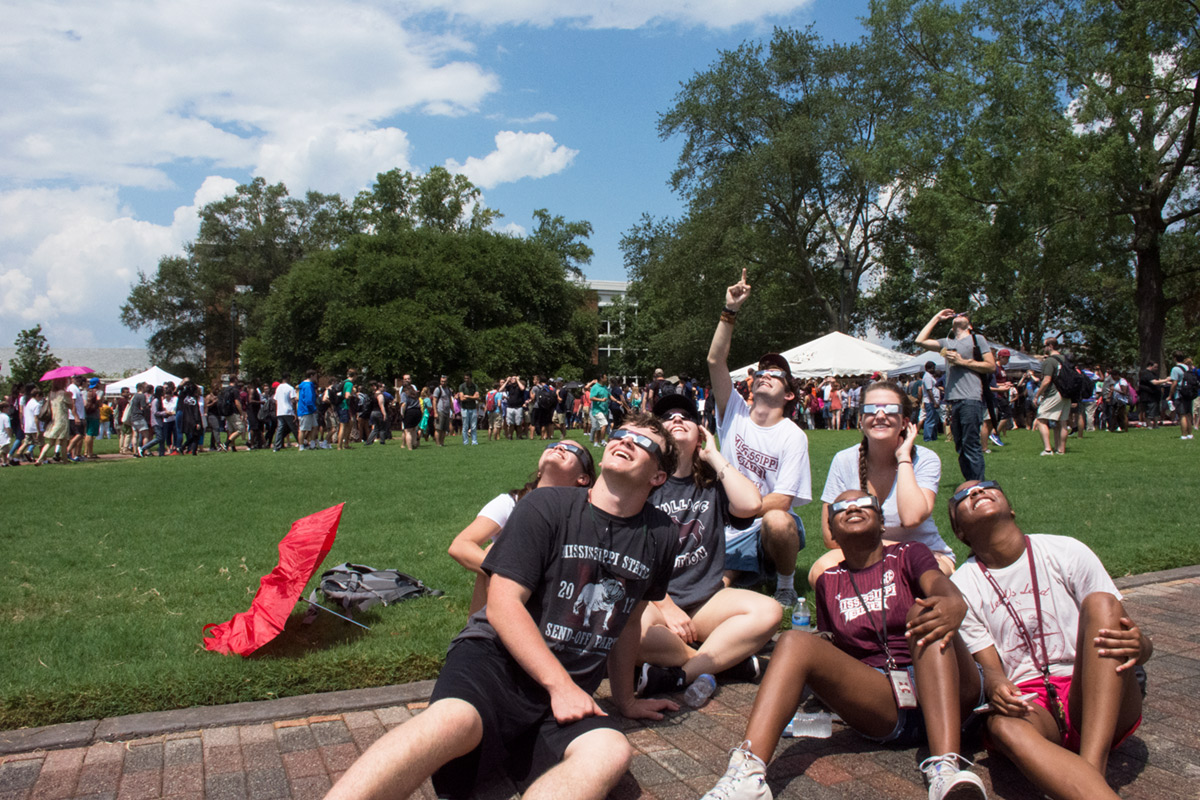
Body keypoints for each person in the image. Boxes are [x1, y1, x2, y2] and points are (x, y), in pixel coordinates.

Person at [326, 413, 681, 800]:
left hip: (563, 698)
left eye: (642, 442)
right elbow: (502, 604)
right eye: (620, 434)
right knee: (450, 721)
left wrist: (625, 700)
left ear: (658, 477)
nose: (625, 441)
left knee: (610, 751)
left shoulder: (660, 535)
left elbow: (627, 622)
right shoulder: (547, 505)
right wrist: (559, 685)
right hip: (495, 665)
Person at [700, 489, 986, 800]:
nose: (853, 508)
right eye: (841, 507)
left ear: (881, 522)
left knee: (925, 612)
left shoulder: (908, 553)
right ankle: (748, 773)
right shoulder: (828, 582)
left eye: (864, 503)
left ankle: (946, 770)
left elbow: (937, 585)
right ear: (832, 530)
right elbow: (834, 646)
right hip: (885, 701)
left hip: (952, 689)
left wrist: (951, 600)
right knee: (796, 640)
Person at [947, 480, 1150, 800]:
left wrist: (1143, 646)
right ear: (959, 532)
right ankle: (1091, 789)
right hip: (1032, 704)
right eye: (963, 495)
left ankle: (1090, 773)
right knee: (1002, 727)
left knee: (1102, 603)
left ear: (1010, 508)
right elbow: (992, 669)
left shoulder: (1065, 550)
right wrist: (998, 686)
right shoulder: (962, 584)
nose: (977, 492)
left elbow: (1131, 638)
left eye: (987, 486)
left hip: (1095, 690)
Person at [634, 393, 778, 698]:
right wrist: (665, 605)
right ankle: (723, 661)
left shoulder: (711, 482)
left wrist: (713, 455)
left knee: (769, 612)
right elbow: (628, 555)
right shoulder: (644, 482)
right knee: (632, 633)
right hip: (655, 601)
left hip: (705, 602)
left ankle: (679, 674)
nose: (677, 418)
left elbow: (752, 504)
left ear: (701, 431)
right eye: (667, 416)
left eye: (686, 416)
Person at [707, 269, 812, 609]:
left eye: (776, 374)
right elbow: (715, 360)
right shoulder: (733, 412)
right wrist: (730, 310)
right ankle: (737, 577)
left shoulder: (793, 437)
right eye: (760, 372)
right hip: (728, 523)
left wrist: (733, 510)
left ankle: (784, 585)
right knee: (714, 588)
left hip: (761, 524)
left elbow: (781, 503)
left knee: (779, 520)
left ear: (791, 395)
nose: (765, 375)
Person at [808, 380, 955, 588]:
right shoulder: (844, 460)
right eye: (870, 409)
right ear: (861, 419)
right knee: (820, 573)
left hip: (925, 555)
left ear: (904, 422)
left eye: (890, 409)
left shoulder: (925, 459)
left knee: (914, 579)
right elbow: (831, 538)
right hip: (863, 556)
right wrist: (880, 552)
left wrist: (904, 457)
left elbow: (912, 517)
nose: (880, 415)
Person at [449, 440, 597, 614]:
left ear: (583, 478)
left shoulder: (586, 516)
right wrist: (513, 575)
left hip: (559, 593)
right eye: (552, 445)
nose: (558, 447)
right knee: (493, 553)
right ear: (540, 471)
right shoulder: (511, 503)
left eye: (571, 449)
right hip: (514, 592)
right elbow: (461, 546)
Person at [916, 309, 995, 480]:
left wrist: (962, 362)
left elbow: (991, 366)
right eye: (957, 315)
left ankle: (978, 485)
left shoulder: (977, 339)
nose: (959, 315)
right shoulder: (947, 342)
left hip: (971, 398)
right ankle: (970, 482)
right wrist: (937, 317)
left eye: (964, 315)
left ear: (969, 324)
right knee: (960, 446)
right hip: (953, 400)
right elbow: (920, 340)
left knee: (971, 444)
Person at [1033, 339, 1071, 456]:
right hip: (1067, 393)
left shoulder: (1050, 361)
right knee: (1062, 422)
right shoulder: (1066, 359)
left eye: (1044, 346)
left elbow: (1046, 380)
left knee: (1040, 419)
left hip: (1054, 393)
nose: (1043, 348)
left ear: (1050, 346)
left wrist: (1037, 395)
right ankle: (1061, 450)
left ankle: (1048, 449)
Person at [1168, 351, 1195, 440]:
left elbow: (1174, 383)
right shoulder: (1187, 367)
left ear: (1175, 358)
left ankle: (1183, 434)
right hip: (1189, 393)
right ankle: (1190, 433)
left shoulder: (1175, 369)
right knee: (1188, 414)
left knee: (1182, 415)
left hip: (1180, 394)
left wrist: (1170, 395)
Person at [272, 374, 298, 451]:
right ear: (287, 378)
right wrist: (295, 412)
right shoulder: (290, 388)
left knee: (280, 429)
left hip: (280, 411)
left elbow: (275, 400)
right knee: (294, 428)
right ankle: (301, 443)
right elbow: (293, 401)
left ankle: (276, 446)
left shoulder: (278, 388)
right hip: (288, 411)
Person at [297, 370, 319, 450]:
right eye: (315, 376)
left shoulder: (309, 385)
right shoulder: (307, 386)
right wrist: (313, 408)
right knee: (303, 429)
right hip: (306, 410)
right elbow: (308, 400)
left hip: (310, 410)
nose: (316, 378)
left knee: (315, 426)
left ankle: (312, 444)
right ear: (311, 376)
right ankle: (301, 446)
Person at [458, 372, 480, 445]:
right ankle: (465, 442)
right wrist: (472, 397)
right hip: (464, 408)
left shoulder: (475, 386)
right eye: (465, 378)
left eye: (467, 378)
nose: (466, 380)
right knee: (465, 426)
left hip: (473, 408)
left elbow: (477, 397)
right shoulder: (462, 386)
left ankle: (474, 441)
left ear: (470, 378)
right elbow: (461, 398)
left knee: (473, 426)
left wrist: (467, 396)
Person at [587, 377, 611, 447]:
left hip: (604, 410)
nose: (606, 379)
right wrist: (601, 400)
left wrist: (617, 401)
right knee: (605, 424)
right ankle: (603, 441)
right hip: (597, 411)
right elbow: (591, 397)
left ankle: (596, 443)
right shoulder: (595, 387)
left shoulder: (605, 387)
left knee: (598, 428)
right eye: (605, 378)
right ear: (601, 378)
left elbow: (610, 395)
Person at [920, 361, 941, 441]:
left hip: (932, 401)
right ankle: (928, 437)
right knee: (930, 420)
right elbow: (929, 390)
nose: (934, 369)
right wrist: (934, 402)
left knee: (934, 420)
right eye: (933, 368)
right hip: (930, 401)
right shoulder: (927, 377)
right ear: (929, 368)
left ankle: (933, 436)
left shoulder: (930, 376)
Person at [433, 375, 453, 446]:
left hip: (447, 411)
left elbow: (450, 400)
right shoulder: (438, 389)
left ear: (447, 382)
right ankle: (438, 443)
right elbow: (434, 400)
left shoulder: (448, 390)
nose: (443, 383)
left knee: (444, 429)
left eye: (444, 381)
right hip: (440, 410)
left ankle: (442, 442)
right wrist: (435, 412)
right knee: (438, 428)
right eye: (442, 381)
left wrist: (452, 410)